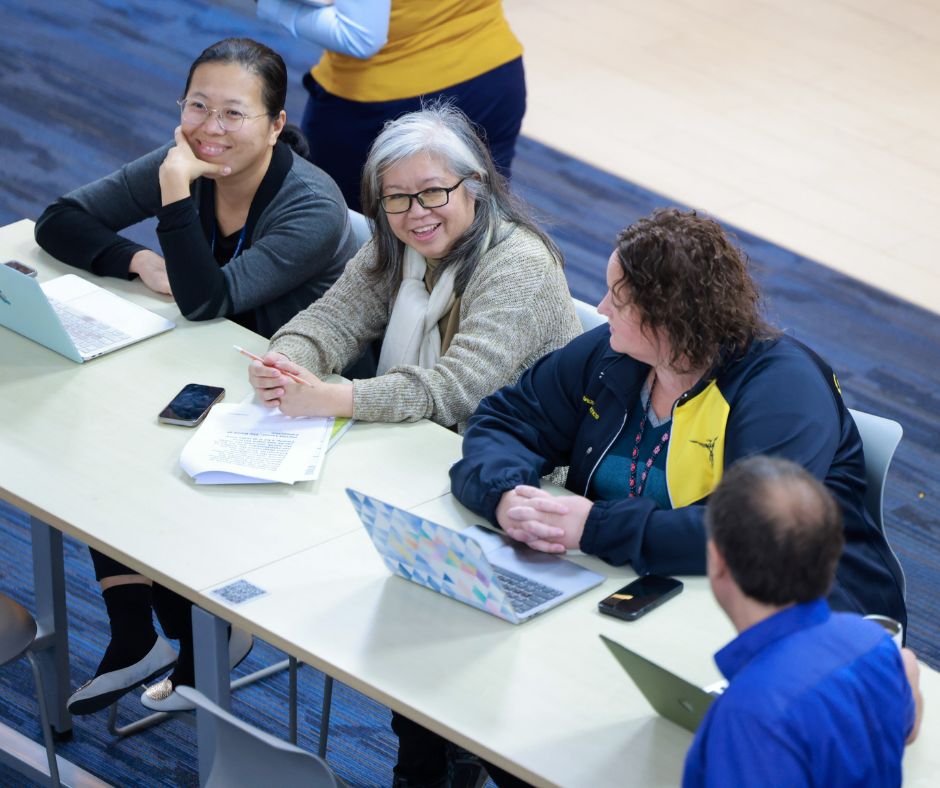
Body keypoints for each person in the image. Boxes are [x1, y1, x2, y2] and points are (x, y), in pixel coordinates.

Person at [249, 103, 580, 787]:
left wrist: (334, 397)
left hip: (515, 487)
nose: (415, 212)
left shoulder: (517, 265)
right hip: (422, 465)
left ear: (477, 187)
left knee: (417, 612)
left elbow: (455, 391)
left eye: (434, 192)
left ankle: (442, 758)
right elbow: (331, 319)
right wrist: (287, 362)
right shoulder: (397, 244)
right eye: (395, 198)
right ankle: (427, 756)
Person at [34, 37, 357, 717]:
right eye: (197, 107)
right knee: (91, 431)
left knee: (134, 453)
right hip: (204, 365)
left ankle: (198, 636)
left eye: (233, 114)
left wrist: (176, 190)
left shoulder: (311, 205)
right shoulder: (188, 157)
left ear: (274, 125)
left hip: (290, 395)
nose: (211, 128)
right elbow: (59, 219)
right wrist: (134, 262)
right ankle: (133, 634)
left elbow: (207, 299)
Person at [450, 208, 908, 629]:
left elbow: (753, 532)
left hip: (801, 611)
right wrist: (505, 495)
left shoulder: (783, 388)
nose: (602, 308)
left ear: (670, 319)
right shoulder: (615, 355)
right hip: (636, 586)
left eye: (619, 298)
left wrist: (594, 528)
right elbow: (506, 418)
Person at [683, 455, 921, 786]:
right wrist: (900, 666)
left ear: (717, 560)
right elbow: (907, 726)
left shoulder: (750, 715)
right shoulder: (872, 641)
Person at [256, 0, 526, 211]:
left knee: (339, 245)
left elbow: (359, 37)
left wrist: (270, 5)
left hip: (383, 106)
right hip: (493, 76)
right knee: (477, 236)